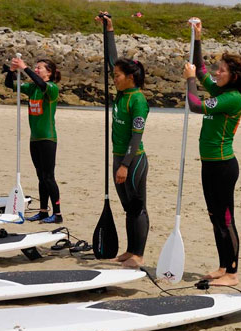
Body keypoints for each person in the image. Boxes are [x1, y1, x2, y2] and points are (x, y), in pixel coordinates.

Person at [183, 18, 241, 286]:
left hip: (224, 166)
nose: (216, 73)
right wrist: (198, 37)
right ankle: (223, 265)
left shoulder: (232, 98)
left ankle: (233, 272)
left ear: (233, 76)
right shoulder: (221, 89)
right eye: (219, 68)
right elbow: (200, 68)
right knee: (214, 216)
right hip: (209, 164)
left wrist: (190, 80)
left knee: (226, 218)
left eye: (222, 70)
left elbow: (194, 104)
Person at [96, 12, 150, 269]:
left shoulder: (137, 99)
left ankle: (138, 255)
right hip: (119, 156)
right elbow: (111, 60)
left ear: (131, 77)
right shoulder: (121, 94)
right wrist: (109, 29)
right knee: (127, 206)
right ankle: (129, 251)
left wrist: (125, 164)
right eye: (114, 74)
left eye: (118, 75)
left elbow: (136, 134)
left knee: (138, 207)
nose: (113, 77)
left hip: (133, 159)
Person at [4, 56, 63, 223]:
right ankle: (43, 211)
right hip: (35, 139)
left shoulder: (51, 88)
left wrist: (25, 68)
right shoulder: (32, 89)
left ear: (49, 73)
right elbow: (10, 85)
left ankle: (58, 214)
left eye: (40, 68)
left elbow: (42, 84)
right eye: (35, 68)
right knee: (41, 177)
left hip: (47, 138)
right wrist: (12, 71)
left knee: (49, 177)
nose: (36, 70)